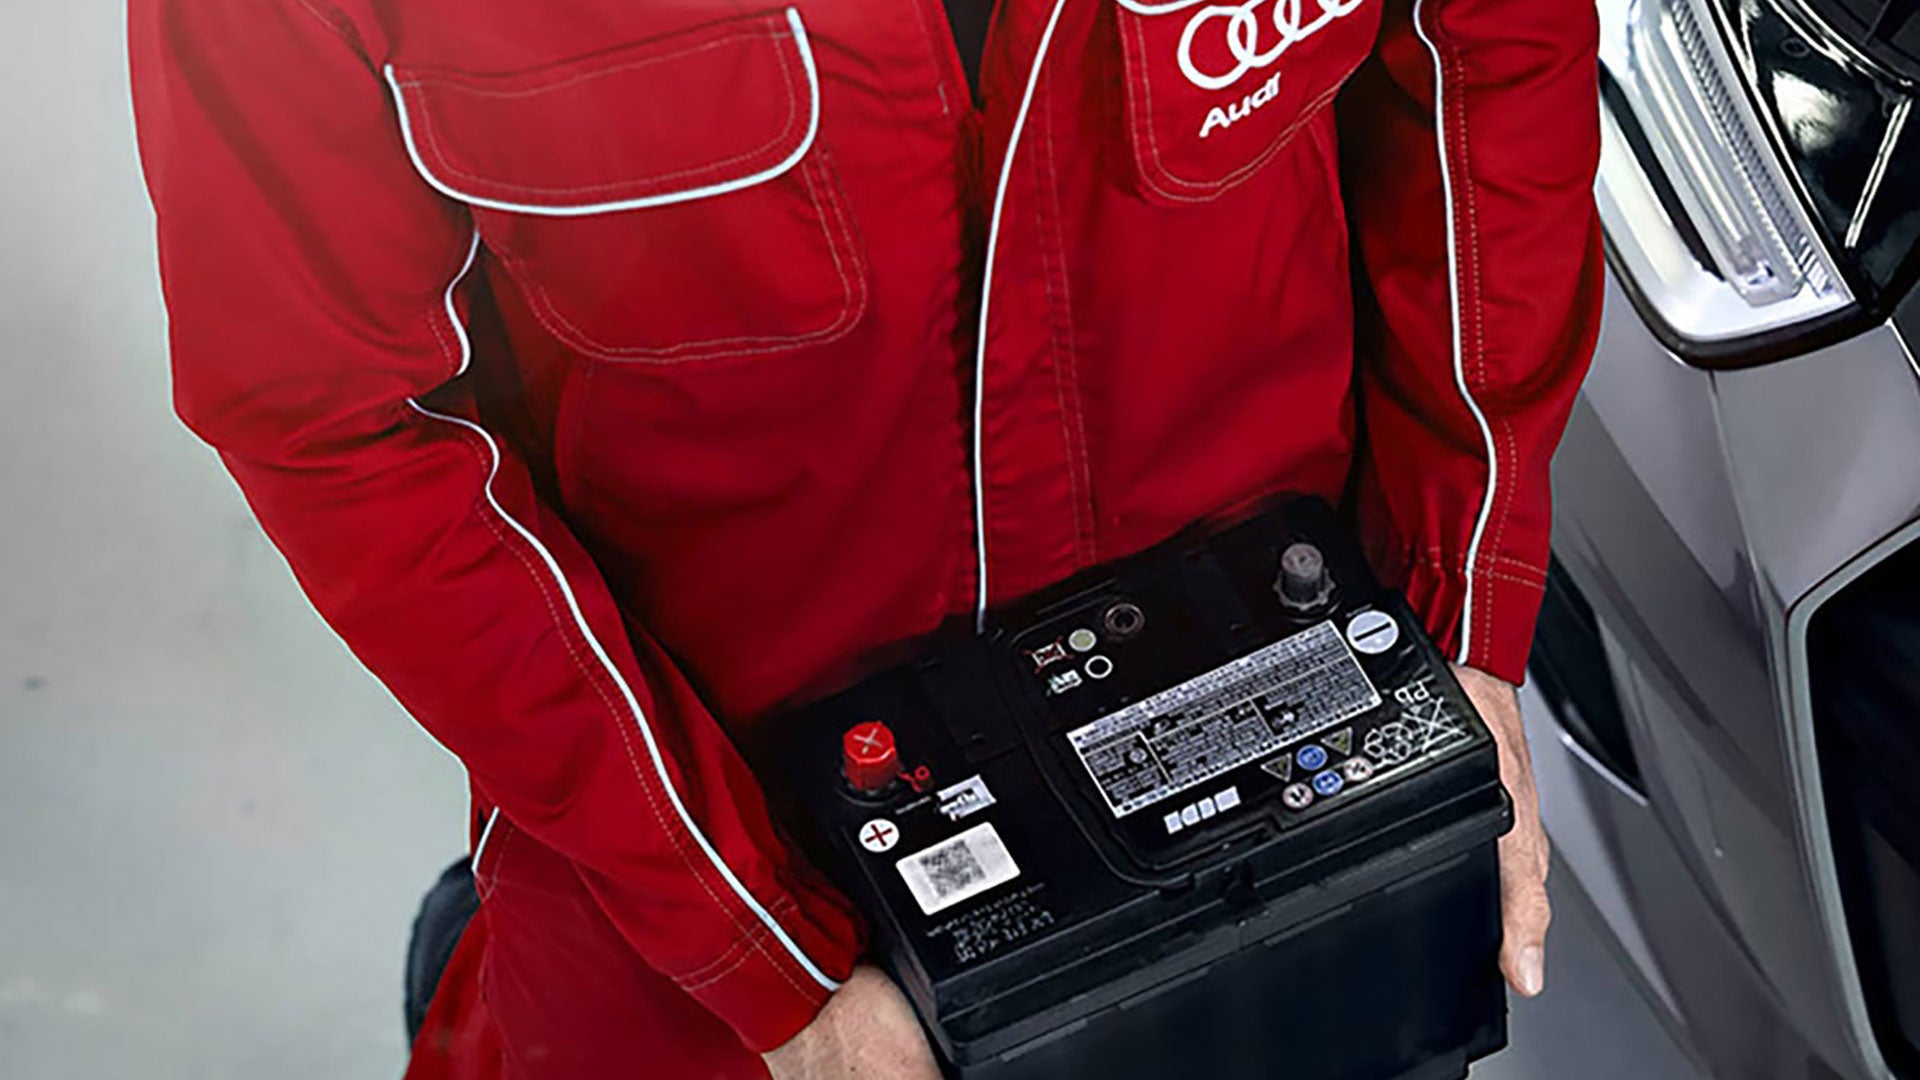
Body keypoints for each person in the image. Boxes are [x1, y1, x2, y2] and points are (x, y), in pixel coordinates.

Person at [128, 0, 1601, 1075]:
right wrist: (754, 945)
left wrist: (1450, 624)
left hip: (1285, 798)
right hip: (708, 862)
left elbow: (1489, 51)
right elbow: (339, 414)